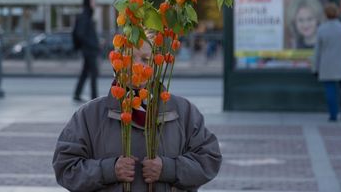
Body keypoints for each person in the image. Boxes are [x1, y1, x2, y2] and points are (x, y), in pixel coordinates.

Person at [53, 38, 222, 191]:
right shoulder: (89, 115)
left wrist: (168, 169)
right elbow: (65, 167)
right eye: (130, 58)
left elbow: (209, 160)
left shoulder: (183, 111)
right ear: (116, 62)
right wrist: (108, 170)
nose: (137, 66)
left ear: (156, 64)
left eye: (145, 59)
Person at [313, 3, 341, 121]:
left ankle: (333, 115)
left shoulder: (321, 29)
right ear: (337, 13)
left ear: (325, 14)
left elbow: (317, 52)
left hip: (326, 66)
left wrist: (315, 68)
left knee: (330, 91)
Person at [72, 0, 100, 102]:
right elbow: (81, 34)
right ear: (88, 2)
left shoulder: (87, 15)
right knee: (94, 73)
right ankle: (95, 98)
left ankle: (77, 94)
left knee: (85, 72)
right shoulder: (85, 16)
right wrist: (93, 44)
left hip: (89, 49)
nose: (94, 3)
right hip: (89, 50)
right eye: (93, 1)